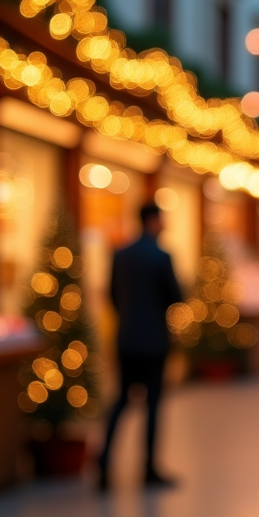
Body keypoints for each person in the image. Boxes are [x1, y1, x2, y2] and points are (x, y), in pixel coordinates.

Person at [97, 202, 183, 490]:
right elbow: (175, 295)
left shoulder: (120, 255)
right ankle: (148, 468)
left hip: (126, 338)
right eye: (162, 220)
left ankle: (104, 461)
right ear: (153, 220)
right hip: (155, 341)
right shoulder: (161, 257)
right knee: (153, 404)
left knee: (121, 399)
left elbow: (111, 295)